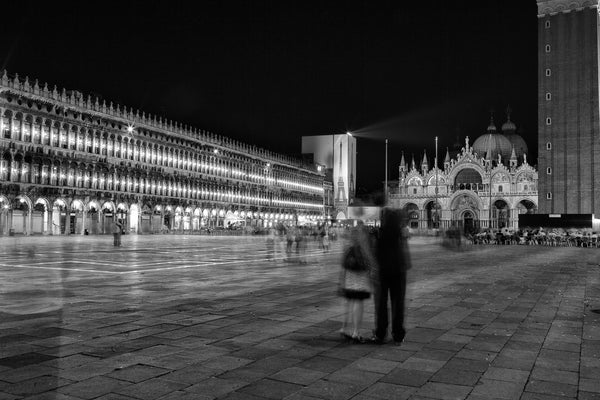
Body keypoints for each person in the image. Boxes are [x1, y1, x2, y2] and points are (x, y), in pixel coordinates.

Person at [371, 207, 411, 344]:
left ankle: (381, 333)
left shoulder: (379, 233)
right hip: (399, 271)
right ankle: (398, 334)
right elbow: (405, 253)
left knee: (381, 303)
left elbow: (374, 252)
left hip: (383, 271)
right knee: (398, 303)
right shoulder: (400, 234)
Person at [338, 222, 375, 343]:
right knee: (358, 303)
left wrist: (341, 281)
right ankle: (356, 332)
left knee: (349, 302)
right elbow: (368, 261)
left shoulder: (348, 244)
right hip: (360, 278)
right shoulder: (362, 243)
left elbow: (343, 263)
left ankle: (344, 328)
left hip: (349, 277)